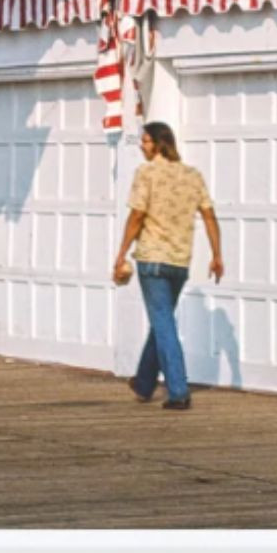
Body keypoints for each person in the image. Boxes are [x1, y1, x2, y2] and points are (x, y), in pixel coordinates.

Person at [112, 121, 223, 411]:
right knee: (162, 321)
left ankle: (178, 390)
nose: (141, 145)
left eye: (146, 141)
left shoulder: (146, 173)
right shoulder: (192, 175)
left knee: (163, 323)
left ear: (159, 144)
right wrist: (216, 255)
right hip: (179, 261)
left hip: (152, 259)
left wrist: (122, 252)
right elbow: (209, 216)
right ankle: (144, 383)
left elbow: (137, 215)